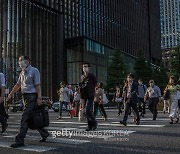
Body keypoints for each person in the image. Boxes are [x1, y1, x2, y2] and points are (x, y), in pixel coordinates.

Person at [7, 55, 49, 148]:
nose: (20, 62)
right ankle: (44, 133)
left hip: (32, 97)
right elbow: (18, 85)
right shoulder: (22, 73)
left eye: (22, 60)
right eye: (19, 60)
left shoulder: (34, 70)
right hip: (25, 97)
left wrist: (39, 98)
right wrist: (10, 94)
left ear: (28, 62)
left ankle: (20, 140)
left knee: (24, 118)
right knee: (31, 118)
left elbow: (38, 85)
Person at [79, 62, 97, 131]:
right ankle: (89, 125)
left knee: (88, 110)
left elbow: (96, 85)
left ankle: (94, 122)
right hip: (84, 96)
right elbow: (82, 87)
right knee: (86, 111)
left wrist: (96, 95)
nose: (84, 68)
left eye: (86, 66)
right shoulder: (82, 77)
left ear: (89, 68)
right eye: (83, 67)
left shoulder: (92, 75)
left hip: (91, 95)